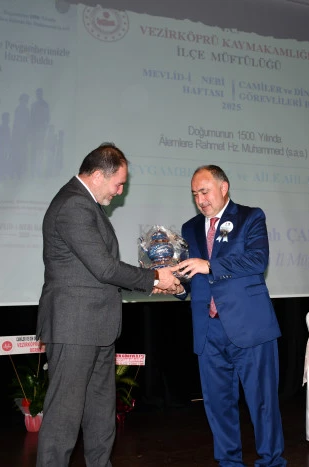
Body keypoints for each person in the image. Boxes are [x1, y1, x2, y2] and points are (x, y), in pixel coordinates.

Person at [35, 142, 181, 467]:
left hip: (96, 328)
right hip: (74, 328)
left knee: (101, 414)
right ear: (99, 175)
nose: (120, 191)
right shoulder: (73, 205)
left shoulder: (87, 205)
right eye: (118, 184)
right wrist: (155, 278)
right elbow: (104, 268)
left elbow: (102, 272)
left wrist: (154, 281)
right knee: (63, 419)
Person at [174, 165, 287, 467]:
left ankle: (271, 462)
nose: (200, 199)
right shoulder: (189, 228)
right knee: (218, 405)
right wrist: (175, 286)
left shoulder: (251, 217)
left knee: (263, 403)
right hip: (208, 330)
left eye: (205, 191)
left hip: (250, 327)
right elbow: (191, 277)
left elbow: (257, 260)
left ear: (223, 188)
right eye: (195, 194)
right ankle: (229, 463)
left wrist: (210, 265)